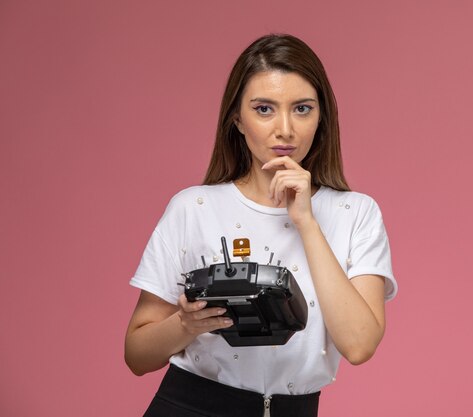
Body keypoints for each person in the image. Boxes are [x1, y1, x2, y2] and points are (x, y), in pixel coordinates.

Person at [125, 33, 398, 417]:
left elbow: (359, 345)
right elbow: (136, 356)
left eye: (302, 109)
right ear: (237, 119)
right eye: (264, 109)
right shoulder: (193, 207)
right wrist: (185, 324)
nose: (284, 129)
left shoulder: (356, 213)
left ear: (322, 118)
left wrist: (307, 222)